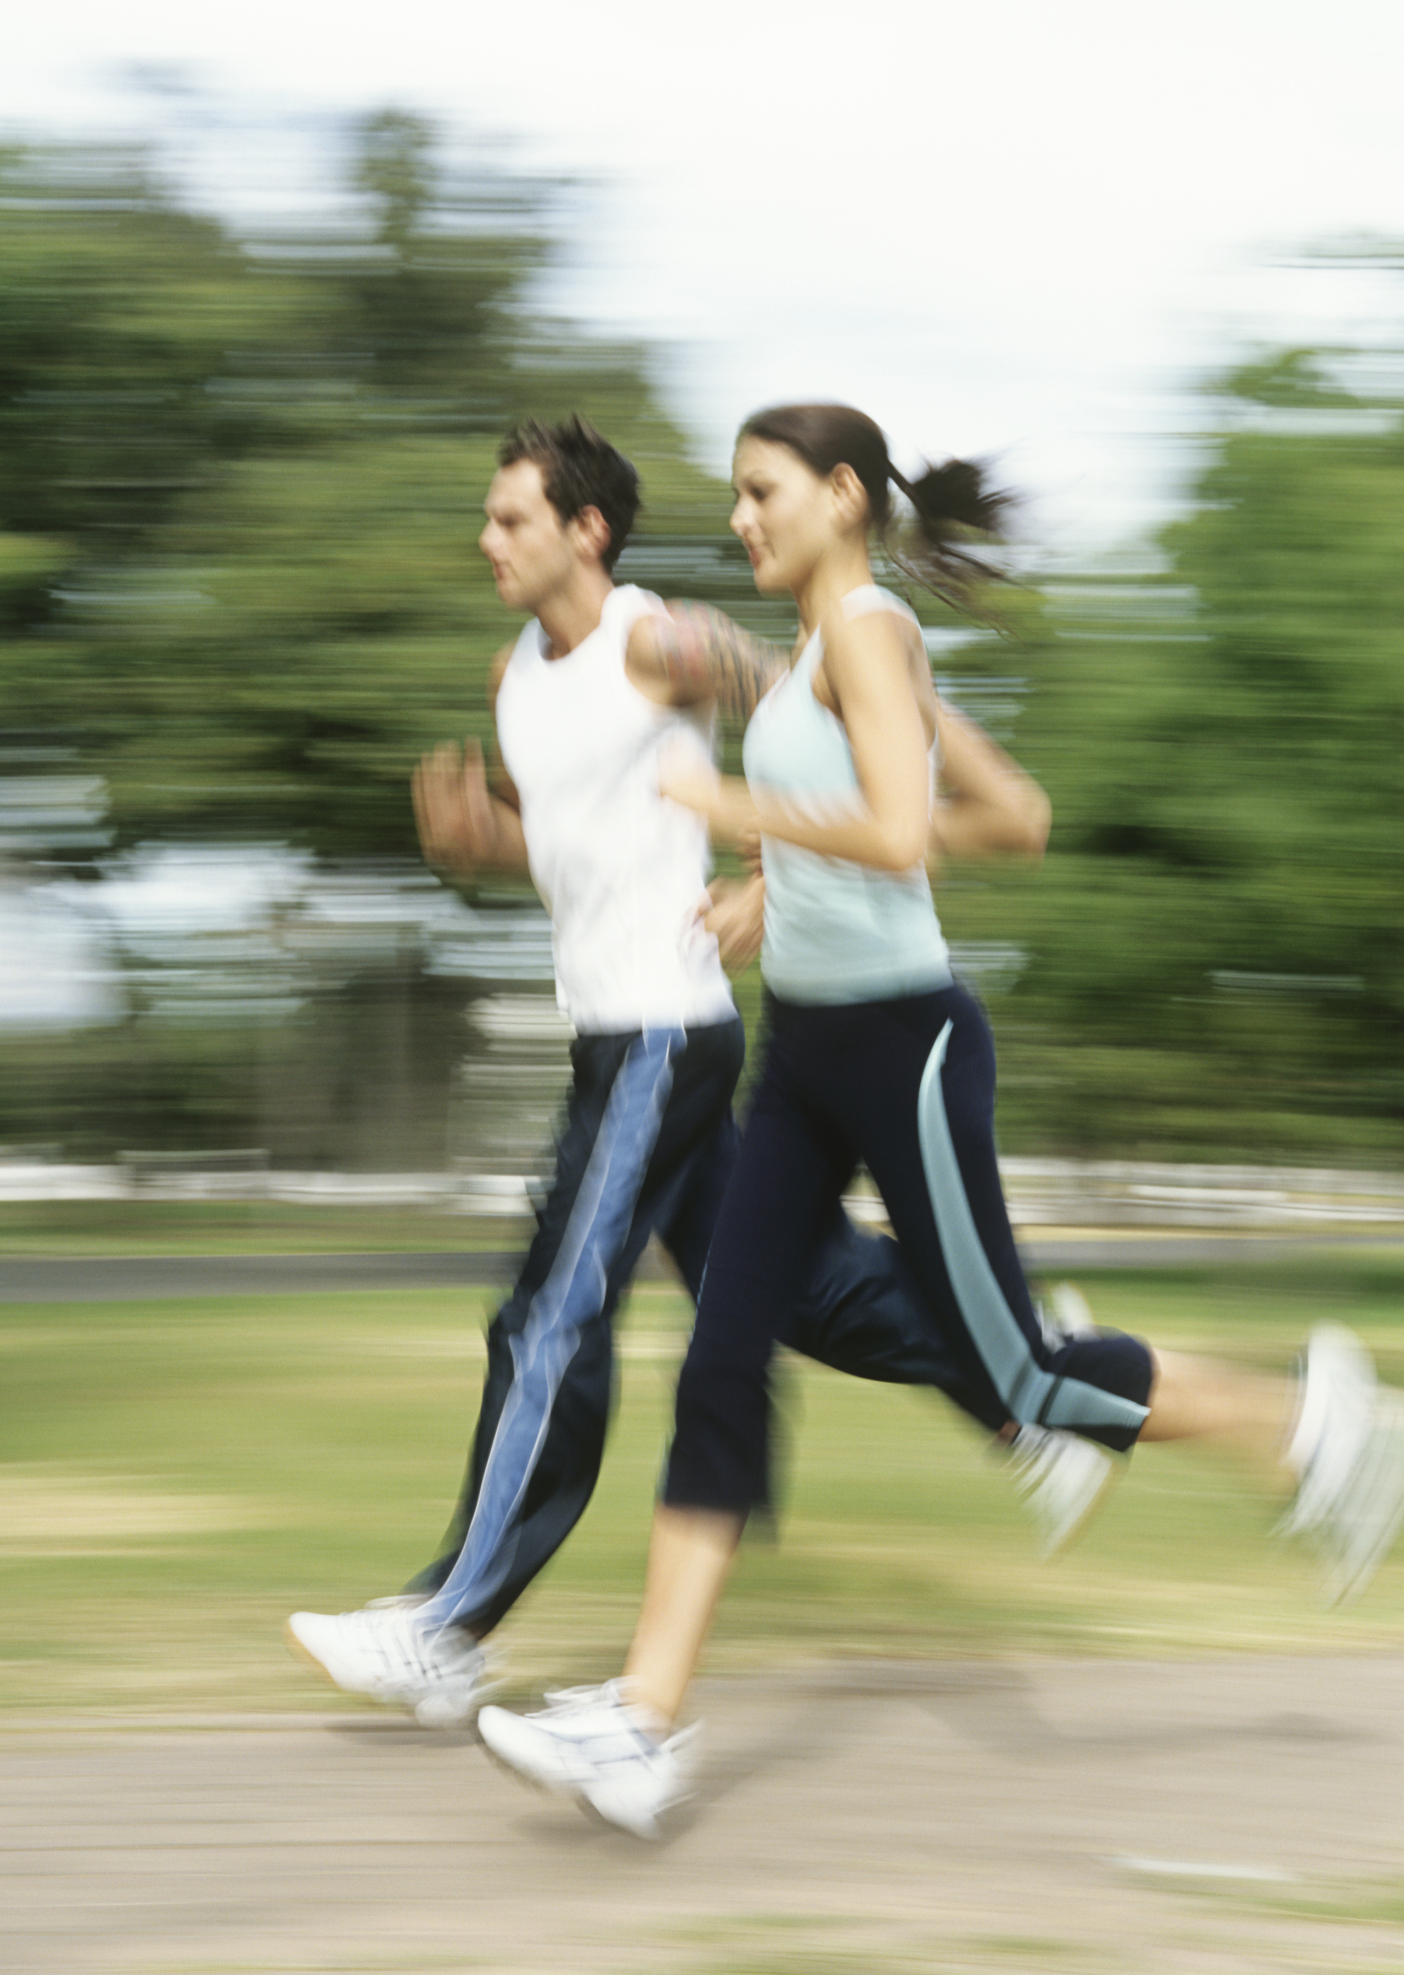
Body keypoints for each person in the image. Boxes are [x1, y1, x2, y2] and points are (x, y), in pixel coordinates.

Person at [475, 402, 1404, 1837]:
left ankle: (1313, 1430)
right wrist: (771, 893)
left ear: (842, 498)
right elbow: (1009, 813)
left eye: (761, 492)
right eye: (735, 497)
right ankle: (644, 1726)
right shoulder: (818, 656)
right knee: (723, 1358)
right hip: (802, 1055)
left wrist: (730, 805)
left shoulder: (866, 635)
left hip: (903, 1050)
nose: (738, 519)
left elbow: (903, 832)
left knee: (1023, 1374)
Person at [285, 415, 1109, 1726]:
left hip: (663, 1030)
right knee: (806, 1293)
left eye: (512, 519)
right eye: (489, 520)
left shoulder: (656, 641)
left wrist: (771, 869)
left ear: (585, 531)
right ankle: (1026, 1383)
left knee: (553, 1313)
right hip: (613, 1024)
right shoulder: (519, 678)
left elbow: (803, 719)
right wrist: (482, 844)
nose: (486, 539)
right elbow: (581, 848)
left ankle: (450, 1624)